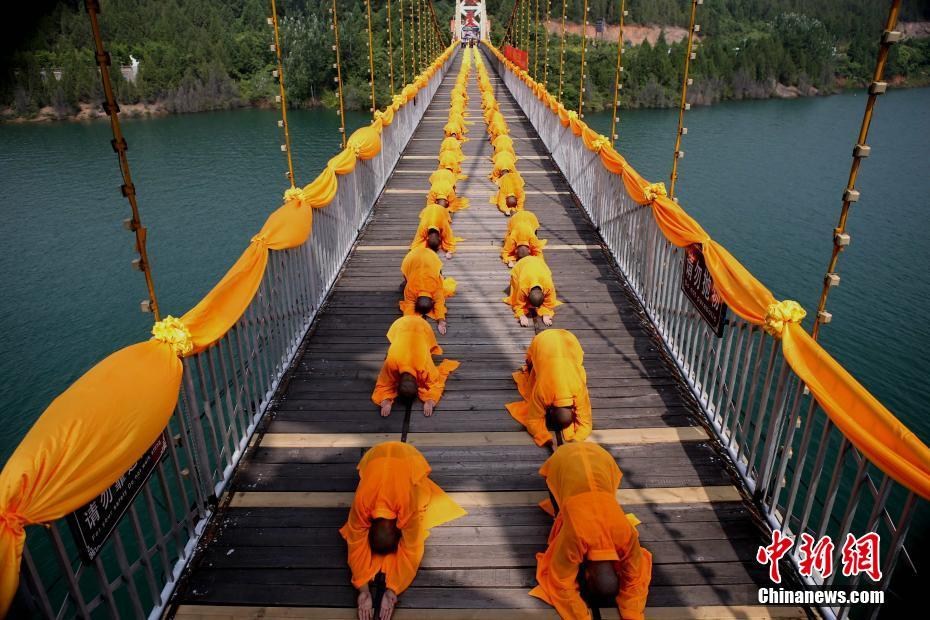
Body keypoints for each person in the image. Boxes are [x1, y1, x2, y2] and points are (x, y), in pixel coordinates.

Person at [340, 441, 467, 620]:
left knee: (420, 494)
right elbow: (356, 542)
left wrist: (393, 589)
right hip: (374, 456)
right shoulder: (362, 504)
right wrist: (364, 590)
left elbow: (411, 547)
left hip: (408, 456)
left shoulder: (405, 505)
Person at [530, 442, 652, 620]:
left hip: (602, 459)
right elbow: (561, 581)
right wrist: (631, 613)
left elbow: (634, 578)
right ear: (586, 573)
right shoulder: (579, 537)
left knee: (594, 499)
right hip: (563, 460)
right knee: (561, 509)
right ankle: (562, 509)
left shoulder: (625, 535)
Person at [505, 329, 591, 446]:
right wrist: (576, 438)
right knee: (531, 365)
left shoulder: (578, 387)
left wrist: (545, 438)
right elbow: (585, 423)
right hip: (547, 340)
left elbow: (534, 420)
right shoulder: (544, 391)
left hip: (568, 339)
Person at [371, 315, 459, 417]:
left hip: (420, 327)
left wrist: (385, 401)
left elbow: (382, 384)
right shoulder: (391, 363)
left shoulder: (422, 364)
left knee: (423, 349)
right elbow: (436, 383)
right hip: (400, 325)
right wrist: (385, 402)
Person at [399, 245, 456, 335]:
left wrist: (441, 321)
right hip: (412, 258)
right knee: (407, 276)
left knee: (437, 273)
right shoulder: (410, 288)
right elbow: (410, 306)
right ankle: (438, 276)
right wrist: (440, 321)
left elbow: (410, 306)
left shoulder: (436, 289)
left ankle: (440, 276)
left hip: (430, 257)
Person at [503, 255, 561, 326]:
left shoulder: (548, 287)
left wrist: (546, 314)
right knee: (515, 295)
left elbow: (549, 303)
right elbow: (518, 304)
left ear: (543, 293)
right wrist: (522, 316)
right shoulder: (522, 287)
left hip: (539, 263)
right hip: (520, 266)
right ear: (528, 294)